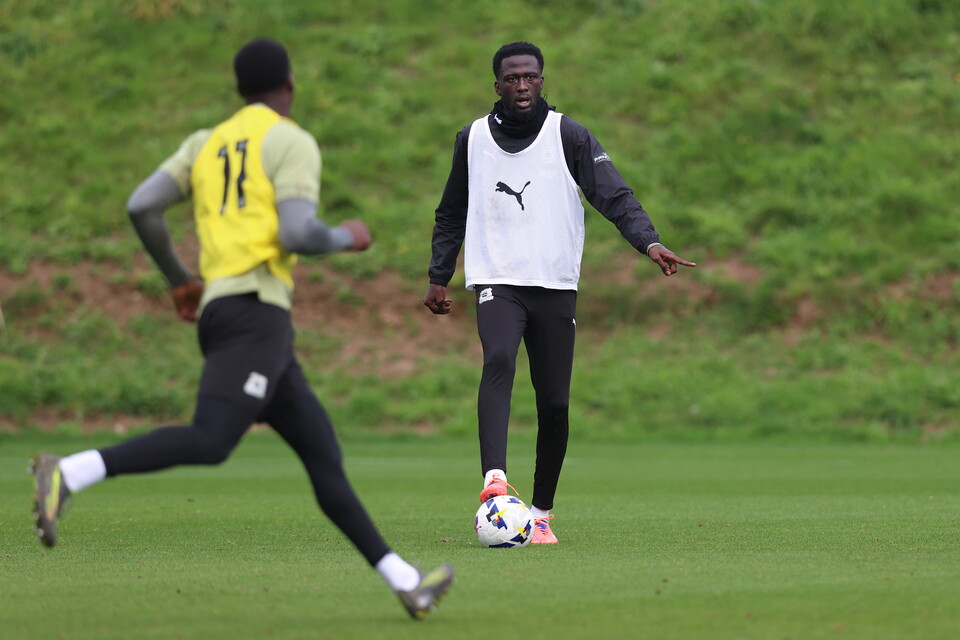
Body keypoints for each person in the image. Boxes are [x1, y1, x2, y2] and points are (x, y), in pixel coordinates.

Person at [31, 38, 453, 620]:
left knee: (322, 454)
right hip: (256, 312)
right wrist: (347, 237)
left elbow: (142, 206)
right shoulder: (290, 140)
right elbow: (299, 233)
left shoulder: (206, 143)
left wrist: (180, 278)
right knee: (211, 440)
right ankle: (71, 472)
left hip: (230, 315)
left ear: (238, 90)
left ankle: (405, 580)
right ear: (290, 85)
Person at [423, 41, 695, 544]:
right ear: (497, 84)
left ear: (541, 81)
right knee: (498, 359)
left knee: (553, 403)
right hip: (498, 279)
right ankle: (495, 480)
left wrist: (649, 242)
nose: (521, 86)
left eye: (530, 77)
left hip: (553, 284)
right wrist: (439, 274)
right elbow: (450, 211)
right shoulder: (473, 139)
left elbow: (613, 194)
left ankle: (542, 513)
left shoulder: (568, 134)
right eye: (511, 78)